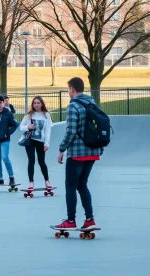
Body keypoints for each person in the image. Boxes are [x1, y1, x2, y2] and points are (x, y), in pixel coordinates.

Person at [54, 77, 101, 231]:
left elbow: (71, 131)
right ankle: (89, 219)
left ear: (72, 89)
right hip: (93, 151)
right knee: (82, 185)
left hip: (77, 153)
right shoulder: (91, 103)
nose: (68, 92)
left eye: (68, 89)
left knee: (71, 186)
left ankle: (70, 220)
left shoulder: (73, 106)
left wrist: (62, 149)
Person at [20, 96, 53, 191]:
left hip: (41, 141)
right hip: (30, 140)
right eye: (34, 103)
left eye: (38, 103)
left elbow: (48, 130)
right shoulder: (29, 115)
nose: (36, 105)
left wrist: (47, 143)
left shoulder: (46, 115)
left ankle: (47, 181)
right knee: (31, 161)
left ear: (42, 104)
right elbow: (21, 127)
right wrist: (28, 127)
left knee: (41, 161)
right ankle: (31, 182)